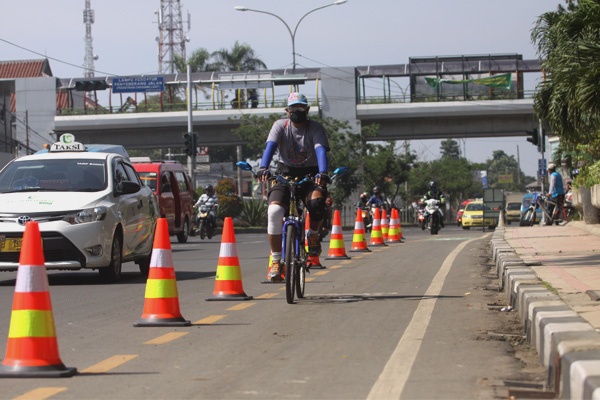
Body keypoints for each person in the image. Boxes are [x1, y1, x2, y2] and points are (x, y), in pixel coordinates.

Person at [257, 92, 330, 282]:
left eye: (300, 108)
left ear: (307, 110)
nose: (297, 112)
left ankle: (312, 235)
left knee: (317, 203)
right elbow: (270, 147)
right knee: (274, 212)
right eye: (293, 108)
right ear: (287, 111)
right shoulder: (280, 126)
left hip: (310, 175)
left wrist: (322, 173)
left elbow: (320, 150)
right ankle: (276, 261)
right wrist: (263, 168)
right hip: (283, 174)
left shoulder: (315, 128)